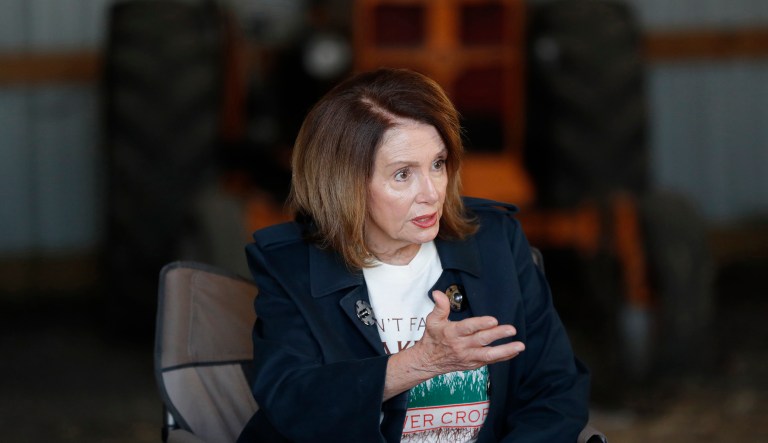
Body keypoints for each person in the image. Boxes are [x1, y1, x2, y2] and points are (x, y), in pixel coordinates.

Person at [237, 68, 591, 443]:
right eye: (403, 174)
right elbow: (292, 402)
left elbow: (555, 389)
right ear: (344, 183)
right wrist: (418, 364)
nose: (431, 193)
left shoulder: (495, 241)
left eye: (437, 165)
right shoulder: (291, 265)